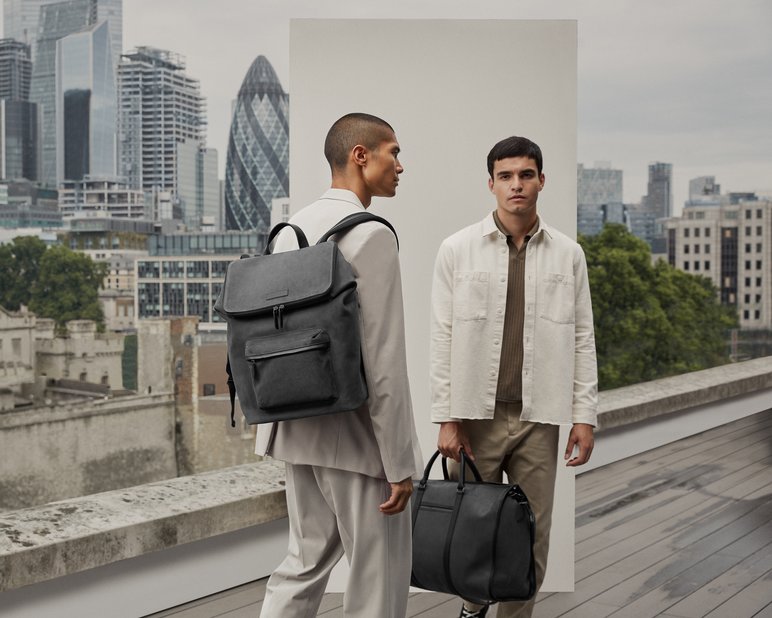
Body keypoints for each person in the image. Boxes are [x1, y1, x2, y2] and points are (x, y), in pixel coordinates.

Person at [257, 112, 422, 618]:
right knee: (378, 581)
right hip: (356, 437)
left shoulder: (289, 228)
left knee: (302, 563)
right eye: (392, 152)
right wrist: (399, 462)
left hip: (294, 425)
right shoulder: (372, 235)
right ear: (360, 155)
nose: (400, 165)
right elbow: (384, 360)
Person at [430, 136, 598, 618]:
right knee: (472, 532)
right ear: (491, 184)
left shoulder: (569, 254)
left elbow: (582, 337)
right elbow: (442, 338)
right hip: (472, 418)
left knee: (529, 541)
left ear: (542, 181)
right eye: (506, 177)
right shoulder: (457, 250)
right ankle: (471, 607)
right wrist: (446, 418)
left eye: (526, 175)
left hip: (538, 418)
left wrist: (584, 416)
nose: (516, 185)